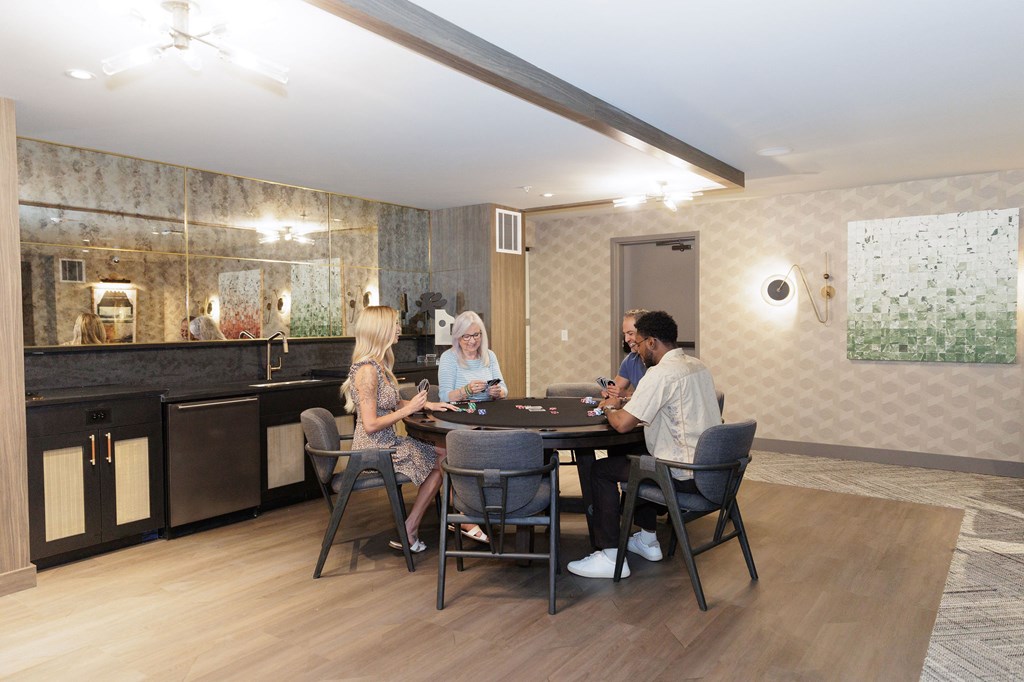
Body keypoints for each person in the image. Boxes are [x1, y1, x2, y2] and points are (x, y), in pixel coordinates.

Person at [567, 310, 721, 579]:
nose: (636, 351)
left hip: (680, 473)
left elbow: (622, 424)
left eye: (637, 344)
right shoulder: (698, 366)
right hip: (713, 471)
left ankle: (611, 556)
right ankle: (648, 540)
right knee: (639, 454)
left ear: (651, 342)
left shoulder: (660, 374)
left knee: (601, 470)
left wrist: (608, 409)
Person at [342, 306, 488, 551]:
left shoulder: (379, 365)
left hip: (387, 443)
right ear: (380, 330)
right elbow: (370, 424)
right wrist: (409, 410)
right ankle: (429, 522)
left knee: (443, 454)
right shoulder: (367, 371)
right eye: (395, 324)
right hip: (374, 450)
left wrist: (428, 404)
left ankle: (421, 523)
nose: (399, 329)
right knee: (442, 456)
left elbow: (391, 402)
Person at [437, 310, 508, 402]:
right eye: (466, 336)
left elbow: (504, 389)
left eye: (476, 335)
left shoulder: (490, 355)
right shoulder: (448, 357)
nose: (472, 341)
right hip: (460, 413)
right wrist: (467, 390)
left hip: (489, 411)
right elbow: (444, 396)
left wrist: (498, 392)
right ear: (457, 337)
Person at [604, 308, 648, 400]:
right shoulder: (630, 360)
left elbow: (653, 400)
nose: (627, 339)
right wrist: (610, 393)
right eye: (625, 334)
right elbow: (615, 390)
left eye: (630, 333)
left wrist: (626, 394)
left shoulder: (661, 362)